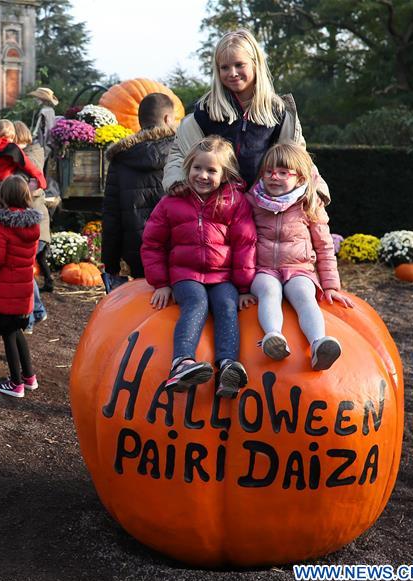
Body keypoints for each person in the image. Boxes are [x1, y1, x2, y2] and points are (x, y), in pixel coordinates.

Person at [141, 136, 256, 398]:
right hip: (185, 274)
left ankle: (228, 366)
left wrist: (244, 287)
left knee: (227, 306)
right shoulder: (171, 202)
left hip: (222, 276)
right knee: (196, 303)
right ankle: (182, 362)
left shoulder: (234, 203)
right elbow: (152, 243)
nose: (203, 175)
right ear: (188, 167)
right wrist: (161, 283)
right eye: (197, 168)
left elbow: (245, 245)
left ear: (225, 174)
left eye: (211, 170)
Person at [163, 29, 328, 200]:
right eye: (224, 67)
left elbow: (298, 156)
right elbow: (179, 152)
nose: (232, 73)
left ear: (256, 64)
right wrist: (177, 179)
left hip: (263, 206)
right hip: (216, 206)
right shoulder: (206, 111)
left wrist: (317, 189)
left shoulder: (278, 112)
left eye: (239, 65)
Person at [247, 143, 354, 370]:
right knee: (269, 291)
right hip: (263, 269)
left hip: (299, 269)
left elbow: (324, 247)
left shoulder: (308, 205)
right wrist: (240, 286)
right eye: (268, 172)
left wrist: (331, 286)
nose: (274, 177)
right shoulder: (252, 202)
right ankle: (273, 337)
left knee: (304, 295)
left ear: (300, 177)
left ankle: (318, 344)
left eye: (283, 172)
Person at [0, 176, 42, 398]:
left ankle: (15, 383)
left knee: (8, 333)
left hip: (5, 289)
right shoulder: (32, 224)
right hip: (22, 289)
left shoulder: (2, 223)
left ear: (4, 194)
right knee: (16, 330)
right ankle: (29, 377)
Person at [102, 93, 178, 288]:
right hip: (178, 249)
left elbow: (112, 216)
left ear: (140, 121)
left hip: (138, 252)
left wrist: (111, 264)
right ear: (168, 118)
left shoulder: (121, 158)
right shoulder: (184, 153)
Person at [13, 121, 51, 331]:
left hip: (35, 227)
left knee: (23, 273)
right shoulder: (23, 157)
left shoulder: (32, 154)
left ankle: (28, 318)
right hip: (32, 226)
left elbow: (31, 186)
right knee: (25, 272)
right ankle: (37, 311)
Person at [0, 120, 46, 214]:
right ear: (13, 136)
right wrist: (41, 179)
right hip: (5, 180)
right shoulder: (13, 149)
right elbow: (28, 166)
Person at [28, 86, 59, 153]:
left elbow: (49, 127)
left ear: (43, 99)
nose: (36, 99)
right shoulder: (41, 110)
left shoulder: (47, 111)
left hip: (42, 142)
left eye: (38, 98)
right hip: (39, 141)